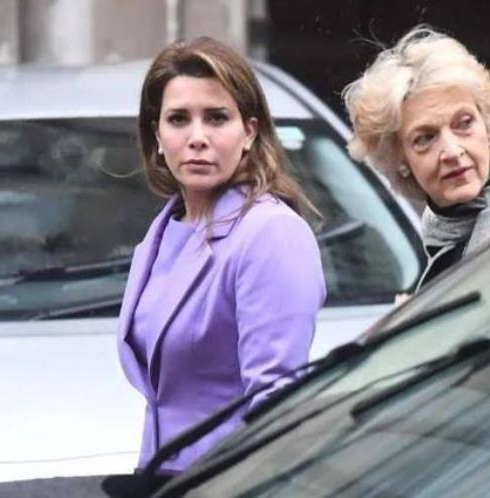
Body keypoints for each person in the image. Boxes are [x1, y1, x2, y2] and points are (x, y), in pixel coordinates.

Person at [116, 37, 326, 474]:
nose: (197, 138)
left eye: (216, 118)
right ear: (157, 135)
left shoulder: (270, 233)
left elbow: (275, 400)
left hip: (226, 480)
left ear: (249, 132)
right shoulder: (162, 232)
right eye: (178, 119)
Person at [343, 26, 490, 289]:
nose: (452, 152)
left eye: (464, 124)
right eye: (425, 138)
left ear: (488, 127)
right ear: (400, 160)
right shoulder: (440, 225)